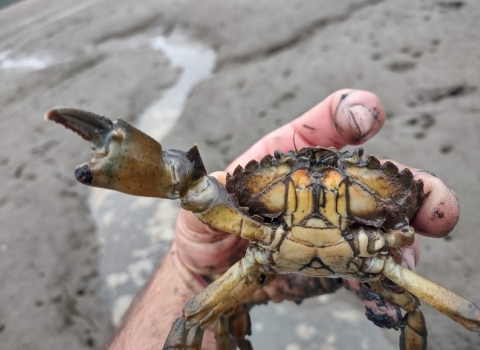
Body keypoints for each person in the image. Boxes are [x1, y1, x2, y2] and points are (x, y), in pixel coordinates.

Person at [108, 89, 460, 349]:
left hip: (272, 261)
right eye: (290, 171)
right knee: (192, 319)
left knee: (419, 311)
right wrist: (192, 274)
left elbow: (414, 210)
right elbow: (191, 187)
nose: (317, 185)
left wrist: (190, 276)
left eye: (346, 174)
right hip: (260, 265)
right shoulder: (241, 234)